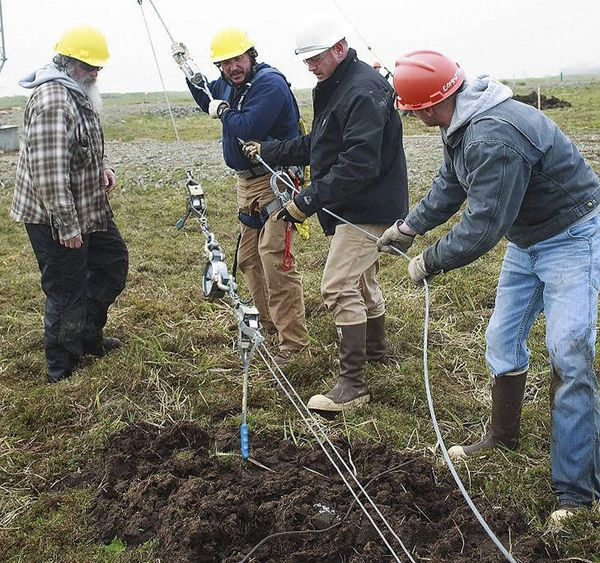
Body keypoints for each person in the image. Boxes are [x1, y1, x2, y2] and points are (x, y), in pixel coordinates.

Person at [377, 49, 600, 524]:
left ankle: (577, 493)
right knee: (502, 337)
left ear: (427, 105)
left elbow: (482, 226)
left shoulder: (494, 135)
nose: (411, 115)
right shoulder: (460, 121)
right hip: (527, 240)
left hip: (572, 237)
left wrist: (429, 262)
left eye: (410, 109)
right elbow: (451, 184)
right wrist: (410, 227)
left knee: (570, 353)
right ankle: (503, 436)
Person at [243, 13, 409, 413]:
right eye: (306, 61)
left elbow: (357, 164)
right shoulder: (332, 86)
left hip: (369, 207)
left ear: (339, 48)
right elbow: (322, 143)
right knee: (361, 280)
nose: (312, 67)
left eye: (316, 58)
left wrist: (304, 202)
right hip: (348, 204)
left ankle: (353, 385)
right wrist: (271, 150)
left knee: (337, 285)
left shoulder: (365, 90)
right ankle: (376, 351)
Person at [171, 28, 308, 365]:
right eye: (225, 62)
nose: (232, 66)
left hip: (275, 181)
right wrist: (189, 70)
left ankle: (293, 341)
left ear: (251, 55)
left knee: (274, 258)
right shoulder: (230, 85)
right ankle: (267, 325)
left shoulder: (268, 84)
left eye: (237, 59)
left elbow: (246, 125)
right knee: (249, 259)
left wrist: (223, 112)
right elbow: (208, 98)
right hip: (247, 184)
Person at [10, 26, 128, 383]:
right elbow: (48, 173)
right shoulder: (53, 101)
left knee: (112, 263)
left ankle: (87, 335)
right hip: (56, 216)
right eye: (88, 66)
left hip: (87, 205)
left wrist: (103, 167)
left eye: (98, 67)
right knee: (66, 290)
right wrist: (66, 225)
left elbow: (83, 145)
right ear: (67, 62)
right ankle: (61, 366)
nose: (95, 73)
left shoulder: (77, 92)